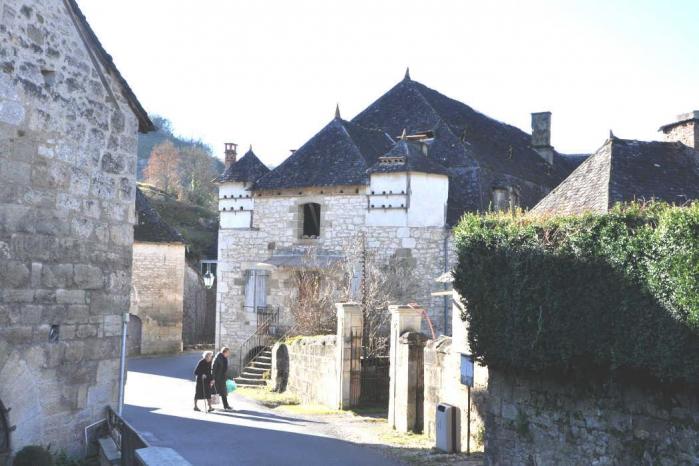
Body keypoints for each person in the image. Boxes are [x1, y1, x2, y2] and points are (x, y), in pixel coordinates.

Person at [212, 347, 233, 411]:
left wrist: (228, 377)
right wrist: (213, 378)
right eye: (228, 352)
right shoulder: (217, 358)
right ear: (224, 352)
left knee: (224, 392)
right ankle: (210, 405)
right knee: (214, 392)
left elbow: (224, 369)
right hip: (216, 378)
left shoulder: (225, 358)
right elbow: (213, 368)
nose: (229, 354)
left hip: (222, 378)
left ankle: (226, 405)